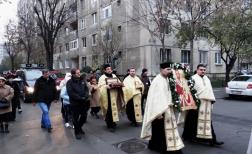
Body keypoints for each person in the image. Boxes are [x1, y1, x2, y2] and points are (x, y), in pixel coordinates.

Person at [141, 62, 184, 154]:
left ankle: (156, 145)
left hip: (167, 109)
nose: (169, 71)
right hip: (160, 111)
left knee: (161, 130)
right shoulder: (157, 81)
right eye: (167, 69)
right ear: (161, 70)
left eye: (170, 69)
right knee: (160, 130)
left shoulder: (167, 79)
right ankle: (162, 147)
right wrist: (159, 113)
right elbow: (155, 99)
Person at [182, 64, 224, 146]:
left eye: (204, 70)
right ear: (197, 70)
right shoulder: (192, 78)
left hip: (206, 104)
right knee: (192, 121)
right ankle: (189, 137)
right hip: (197, 104)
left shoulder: (206, 78)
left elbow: (209, 90)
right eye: (201, 69)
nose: (203, 71)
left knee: (207, 122)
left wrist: (211, 100)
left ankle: (212, 140)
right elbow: (188, 92)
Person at [98, 64, 124, 132]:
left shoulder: (114, 76)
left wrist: (121, 85)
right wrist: (106, 87)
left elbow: (119, 82)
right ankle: (109, 125)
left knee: (114, 110)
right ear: (105, 70)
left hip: (114, 96)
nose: (110, 70)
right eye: (108, 69)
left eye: (110, 69)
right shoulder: (102, 77)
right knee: (109, 111)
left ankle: (113, 122)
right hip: (107, 97)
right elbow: (100, 87)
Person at [66, 68, 89, 140]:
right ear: (73, 74)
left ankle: (79, 127)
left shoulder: (82, 80)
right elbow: (71, 93)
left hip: (83, 102)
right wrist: (80, 98)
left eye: (79, 72)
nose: (79, 74)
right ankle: (77, 132)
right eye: (77, 73)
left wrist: (85, 96)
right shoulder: (69, 82)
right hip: (75, 103)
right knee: (75, 118)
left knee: (84, 117)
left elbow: (86, 89)